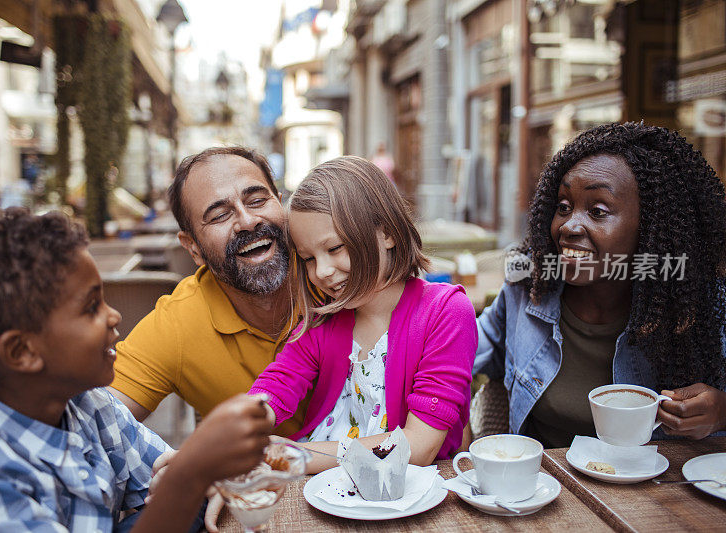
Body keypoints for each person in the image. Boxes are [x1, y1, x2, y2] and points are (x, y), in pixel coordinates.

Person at [0, 208, 273, 531]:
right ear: (22, 352)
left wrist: (192, 474)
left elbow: (162, 478)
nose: (114, 315)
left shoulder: (90, 405)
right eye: (91, 307)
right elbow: (181, 482)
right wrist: (191, 473)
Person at [474, 122, 726, 449]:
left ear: (650, 227)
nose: (569, 226)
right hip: (547, 489)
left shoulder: (701, 306)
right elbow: (454, 353)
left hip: (660, 495)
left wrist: (722, 411)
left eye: (597, 210)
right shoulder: (527, 289)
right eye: (563, 207)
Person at [249, 156, 477, 472]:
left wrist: (295, 455)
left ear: (387, 233)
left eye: (334, 248)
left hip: (414, 493)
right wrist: (239, 430)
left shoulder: (446, 311)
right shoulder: (321, 321)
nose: (322, 272)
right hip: (325, 486)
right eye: (309, 259)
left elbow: (419, 448)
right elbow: (277, 384)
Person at [109, 147, 306, 437]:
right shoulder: (179, 325)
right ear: (193, 248)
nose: (248, 221)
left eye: (257, 200)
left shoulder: (338, 276)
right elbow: (97, 426)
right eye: (218, 216)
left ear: (281, 204)